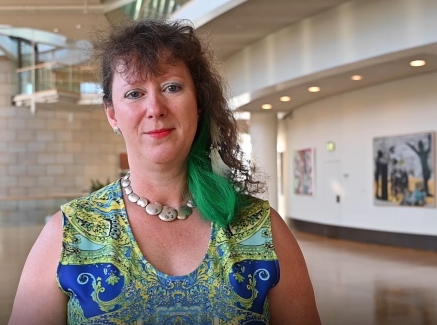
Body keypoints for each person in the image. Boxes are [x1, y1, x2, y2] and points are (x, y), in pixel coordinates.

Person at [9, 18, 321, 325]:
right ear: (112, 115)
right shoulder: (69, 233)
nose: (155, 108)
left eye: (171, 87)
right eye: (134, 93)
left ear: (197, 103)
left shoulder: (261, 229)